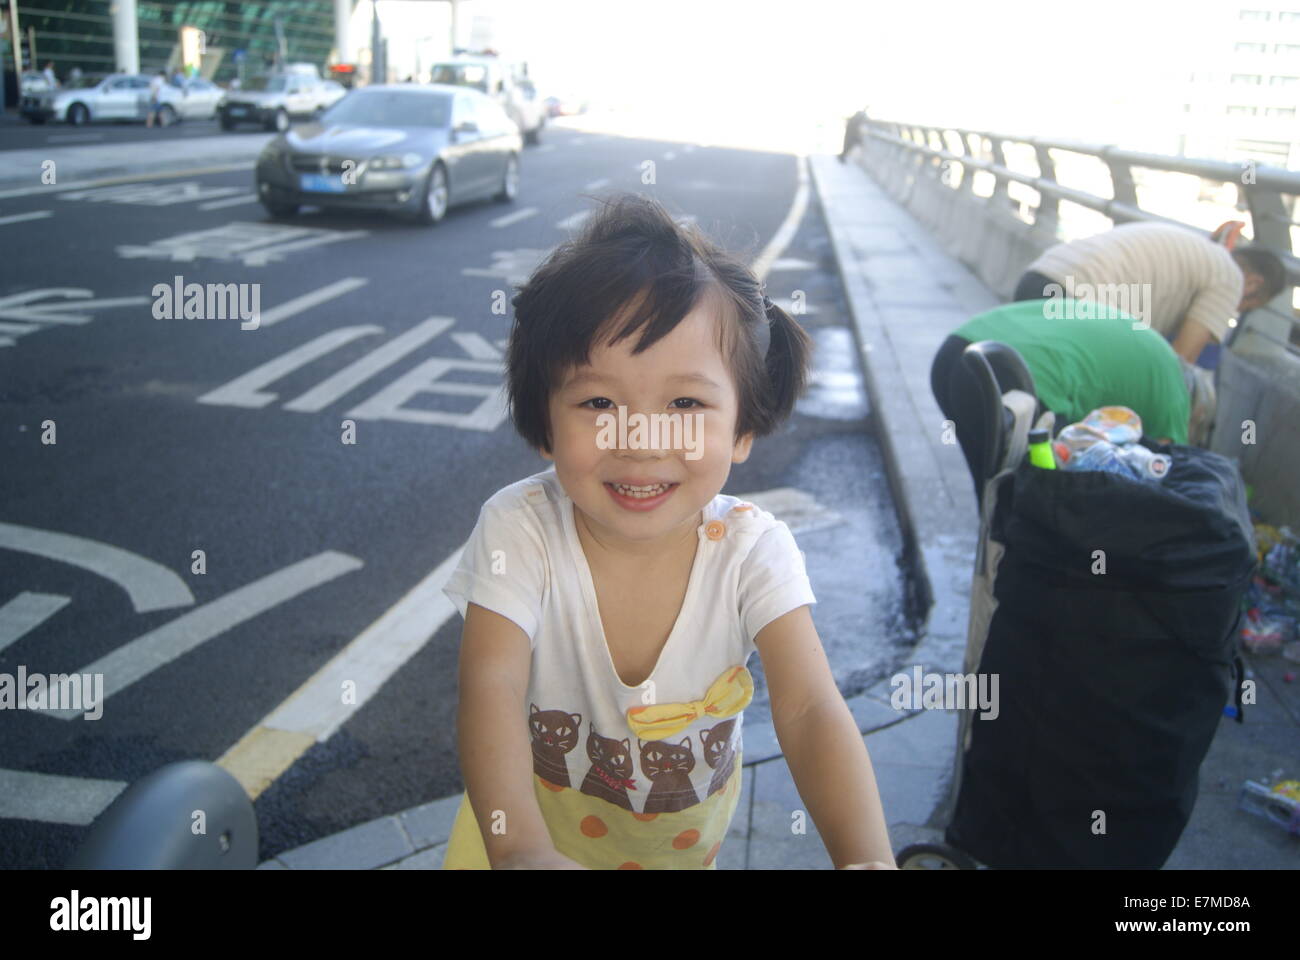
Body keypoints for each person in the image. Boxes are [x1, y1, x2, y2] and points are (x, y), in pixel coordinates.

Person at [440, 193, 896, 870]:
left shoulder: (752, 553)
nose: (643, 440)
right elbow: (491, 686)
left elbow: (807, 714)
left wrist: (868, 858)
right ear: (545, 422)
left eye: (685, 403)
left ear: (743, 426)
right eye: (598, 402)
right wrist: (520, 849)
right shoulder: (521, 531)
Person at [931, 298, 1194, 497]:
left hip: (958, 349)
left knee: (992, 496)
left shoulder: (1155, 352)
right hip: (1015, 374)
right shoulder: (1175, 402)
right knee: (1029, 505)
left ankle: (990, 565)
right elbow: (1158, 478)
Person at [1012, 222, 1287, 364]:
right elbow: (1179, 362)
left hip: (1039, 278)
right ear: (1252, 284)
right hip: (1080, 307)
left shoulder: (1196, 250)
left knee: (1023, 405)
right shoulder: (1230, 277)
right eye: (1246, 307)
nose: (1235, 312)